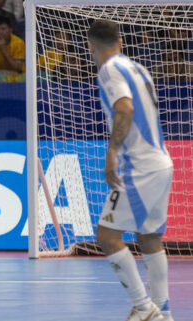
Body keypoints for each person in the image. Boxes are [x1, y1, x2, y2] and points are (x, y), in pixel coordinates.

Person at [89, 20, 174, 321]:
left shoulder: (110, 69)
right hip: (162, 163)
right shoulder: (137, 67)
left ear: (91, 45)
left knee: (107, 235)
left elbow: (125, 108)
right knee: (150, 238)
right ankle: (162, 312)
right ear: (120, 41)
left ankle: (143, 307)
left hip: (139, 167)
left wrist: (111, 151)